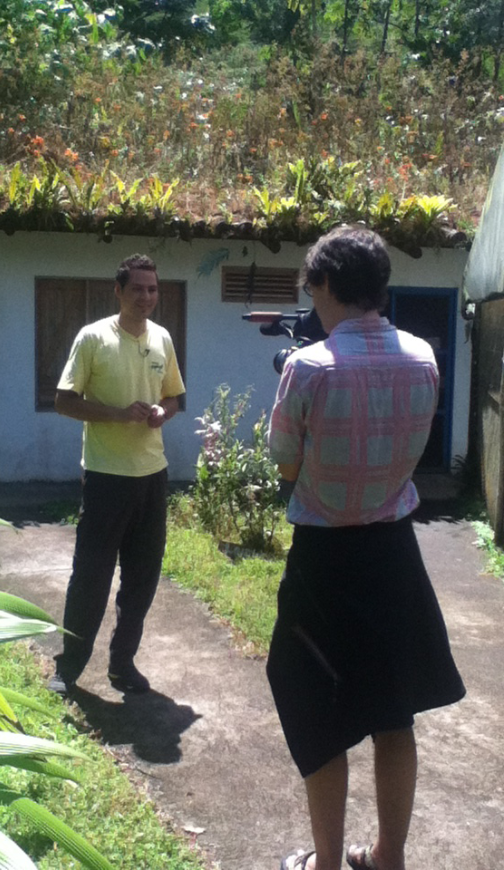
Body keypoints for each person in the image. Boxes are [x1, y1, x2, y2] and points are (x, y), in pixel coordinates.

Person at [266, 227, 465, 870]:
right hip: (393, 556)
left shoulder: (308, 367)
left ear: (324, 284)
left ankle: (325, 864)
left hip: (324, 561)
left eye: (310, 284)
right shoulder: (425, 357)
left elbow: (285, 469)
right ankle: (390, 857)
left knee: (317, 707)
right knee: (393, 708)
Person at [49, 253, 185, 695]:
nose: (147, 297)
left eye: (153, 289)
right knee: (91, 576)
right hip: (107, 476)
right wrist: (117, 414)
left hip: (152, 475)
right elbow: (64, 401)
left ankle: (122, 665)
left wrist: (163, 412)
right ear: (119, 291)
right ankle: (68, 669)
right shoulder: (92, 338)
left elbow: (175, 398)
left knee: (142, 578)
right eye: (138, 289)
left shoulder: (162, 339)